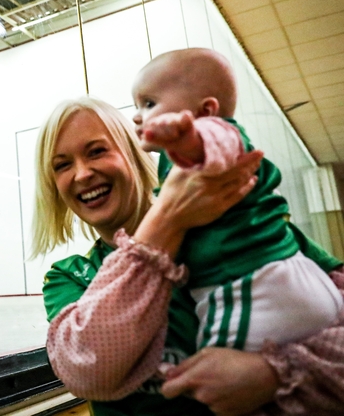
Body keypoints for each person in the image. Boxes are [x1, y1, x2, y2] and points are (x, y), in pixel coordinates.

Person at [34, 96, 344, 415]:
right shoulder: (70, 276)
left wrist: (273, 374)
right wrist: (166, 219)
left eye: (97, 151)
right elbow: (86, 371)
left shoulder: (244, 228)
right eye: (62, 165)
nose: (82, 174)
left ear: (132, 152)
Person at [131, 47, 342, 353]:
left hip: (252, 285)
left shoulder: (218, 132)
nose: (138, 115)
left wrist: (185, 139)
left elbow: (214, 147)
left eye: (149, 103)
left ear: (206, 111)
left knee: (220, 363)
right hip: (274, 280)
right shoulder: (177, 159)